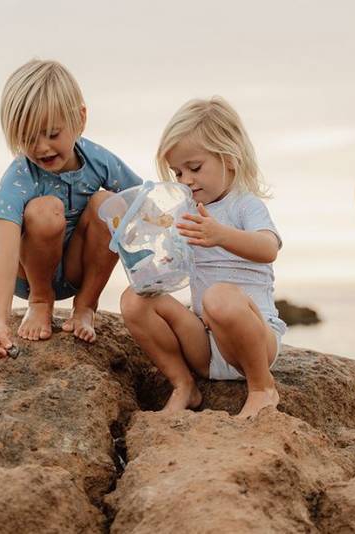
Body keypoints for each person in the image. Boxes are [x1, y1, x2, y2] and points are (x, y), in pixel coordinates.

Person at [120, 96, 286, 418]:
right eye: (177, 172)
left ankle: (261, 388)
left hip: (255, 342)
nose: (186, 180)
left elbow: (268, 249)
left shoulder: (244, 205)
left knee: (219, 297)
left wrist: (221, 235)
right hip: (206, 347)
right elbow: (176, 262)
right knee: (134, 299)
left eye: (194, 168)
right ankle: (184, 385)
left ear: (230, 159)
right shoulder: (186, 211)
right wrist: (152, 260)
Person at [0, 59, 142, 360]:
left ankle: (86, 305)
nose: (42, 148)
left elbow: (141, 204)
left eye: (52, 134)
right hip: (30, 273)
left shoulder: (97, 159)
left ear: (79, 119)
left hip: (77, 266)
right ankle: (41, 301)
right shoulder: (21, 175)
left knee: (110, 203)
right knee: (46, 210)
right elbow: (5, 249)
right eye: (29, 139)